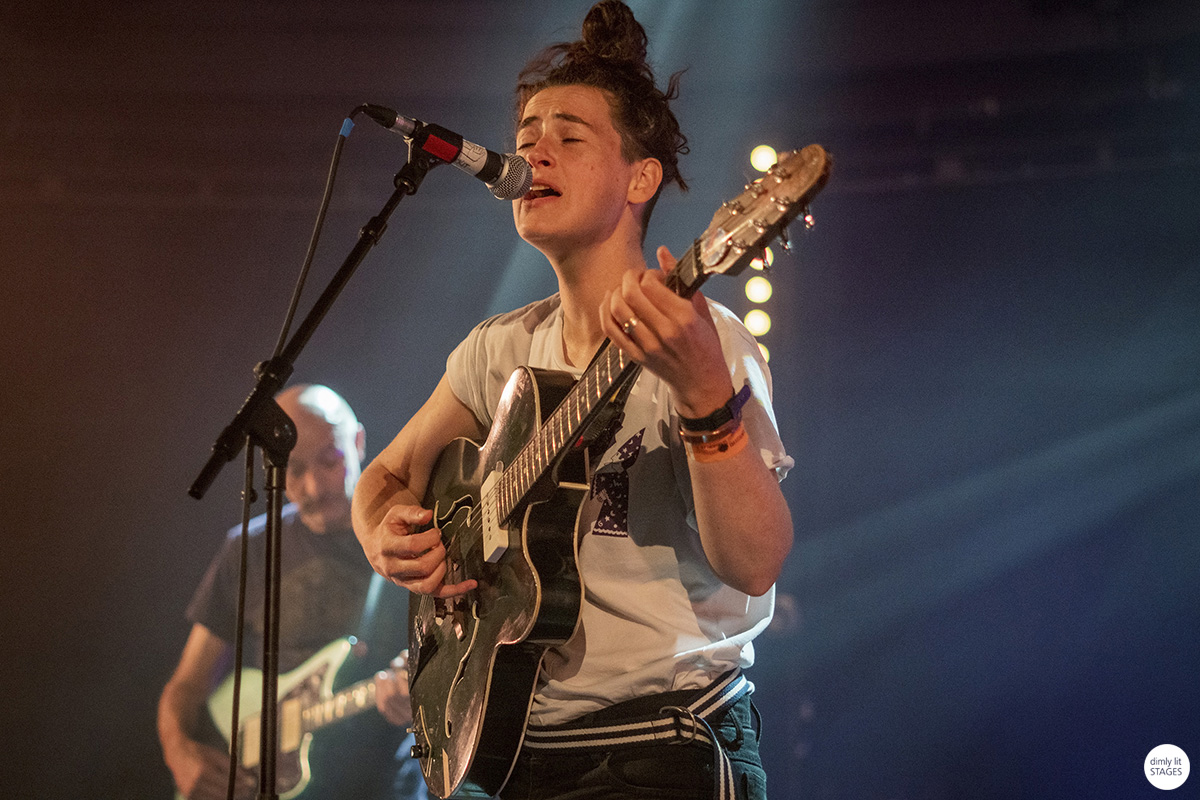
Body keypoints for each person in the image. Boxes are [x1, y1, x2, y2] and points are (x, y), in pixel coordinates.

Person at [353, 2, 794, 798]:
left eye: (568, 135)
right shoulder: (499, 349)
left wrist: (702, 395)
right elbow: (384, 476)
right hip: (517, 747)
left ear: (641, 176)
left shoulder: (705, 340)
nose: (531, 151)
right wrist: (385, 533)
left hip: (666, 740)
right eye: (525, 136)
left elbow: (756, 562)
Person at [158, 384, 427, 800]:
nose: (314, 487)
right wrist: (181, 755)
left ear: (358, 441)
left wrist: (419, 689)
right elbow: (186, 686)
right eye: (294, 470)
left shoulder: (410, 534)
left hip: (380, 779)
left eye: (329, 460)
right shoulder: (248, 549)